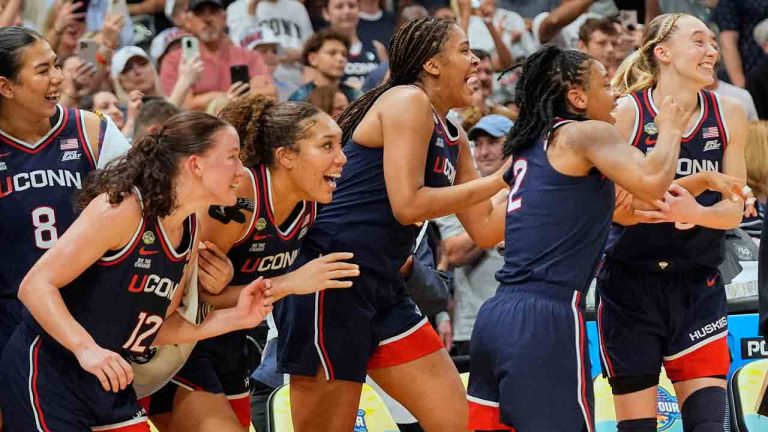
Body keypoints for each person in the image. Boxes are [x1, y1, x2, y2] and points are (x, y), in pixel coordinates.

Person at [275, 17, 511, 431]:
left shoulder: (453, 135)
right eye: (464, 50)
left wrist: (537, 176)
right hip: (332, 280)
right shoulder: (407, 101)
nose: (476, 62)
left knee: (464, 422)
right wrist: (500, 179)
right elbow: (409, 204)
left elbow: (487, 230)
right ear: (433, 65)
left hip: (384, 286)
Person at [0, 111, 275, 432]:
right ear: (195, 165)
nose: (242, 172)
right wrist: (86, 349)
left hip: (109, 377)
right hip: (50, 369)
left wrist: (236, 318)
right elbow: (34, 285)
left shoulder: (190, 228)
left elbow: (154, 328)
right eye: (232, 157)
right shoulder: (122, 209)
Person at [146, 94, 355, 431]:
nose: (342, 158)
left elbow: (225, 294)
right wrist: (290, 283)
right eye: (327, 146)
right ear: (286, 156)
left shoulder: (312, 201)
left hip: (232, 343)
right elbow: (196, 294)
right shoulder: (242, 193)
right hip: (182, 345)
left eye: (340, 145)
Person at [600, 12, 748, 432]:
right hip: (630, 286)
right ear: (662, 53)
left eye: (713, 42)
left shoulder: (730, 113)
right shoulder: (627, 112)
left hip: (696, 286)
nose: (712, 50)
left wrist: (696, 213)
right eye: (698, 41)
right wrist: (693, 185)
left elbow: (733, 207)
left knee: (707, 425)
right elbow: (613, 209)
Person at [0, 27, 129, 354]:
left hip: (91, 312)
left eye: (56, 65)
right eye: (43, 71)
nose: (58, 77)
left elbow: (141, 217)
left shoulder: (94, 131)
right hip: (9, 318)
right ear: (5, 86)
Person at [435, 114, 511, 358]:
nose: (484, 152)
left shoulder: (538, 187)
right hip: (475, 323)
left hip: (524, 317)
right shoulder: (458, 194)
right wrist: (505, 191)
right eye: (478, 144)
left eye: (493, 142)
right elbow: (454, 253)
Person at [289, 29, 362, 103]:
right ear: (313, 59)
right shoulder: (299, 99)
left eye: (344, 54)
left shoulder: (355, 97)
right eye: (332, 53)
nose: (340, 59)